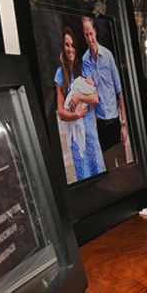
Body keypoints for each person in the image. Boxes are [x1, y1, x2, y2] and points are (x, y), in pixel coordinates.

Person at [54, 26, 105, 181]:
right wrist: (76, 114)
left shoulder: (85, 68)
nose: (70, 49)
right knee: (84, 177)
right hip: (75, 138)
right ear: (62, 47)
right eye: (67, 45)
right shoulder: (59, 74)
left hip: (90, 133)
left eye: (73, 45)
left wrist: (80, 97)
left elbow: (95, 98)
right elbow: (62, 113)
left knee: (99, 174)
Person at [82, 16, 129, 170]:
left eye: (91, 33)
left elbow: (119, 91)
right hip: (101, 123)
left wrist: (123, 125)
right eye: (86, 35)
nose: (89, 38)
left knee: (123, 168)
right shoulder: (85, 60)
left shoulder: (107, 55)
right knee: (109, 169)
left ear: (95, 32)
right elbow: (89, 91)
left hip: (115, 121)